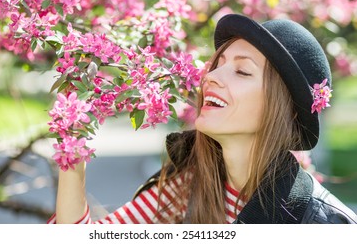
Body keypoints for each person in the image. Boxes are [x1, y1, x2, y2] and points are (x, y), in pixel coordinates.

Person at [48, 14, 357, 224]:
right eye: (217, 64)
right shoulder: (188, 185)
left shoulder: (323, 224)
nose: (211, 77)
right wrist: (72, 160)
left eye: (242, 71)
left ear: (285, 109)